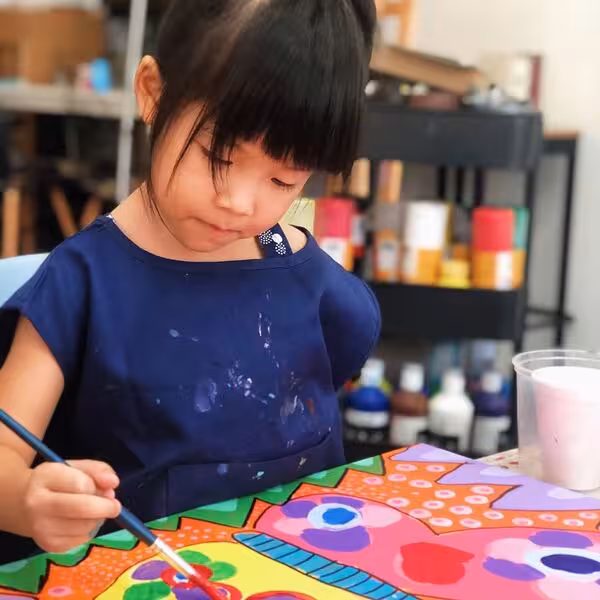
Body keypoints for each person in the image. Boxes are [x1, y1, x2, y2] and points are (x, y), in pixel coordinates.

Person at [0, 0, 379, 563]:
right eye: (220, 158)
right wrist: (29, 501)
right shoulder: (82, 282)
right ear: (153, 92)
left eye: (282, 177)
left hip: (305, 571)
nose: (240, 202)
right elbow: (6, 448)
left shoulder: (302, 269)